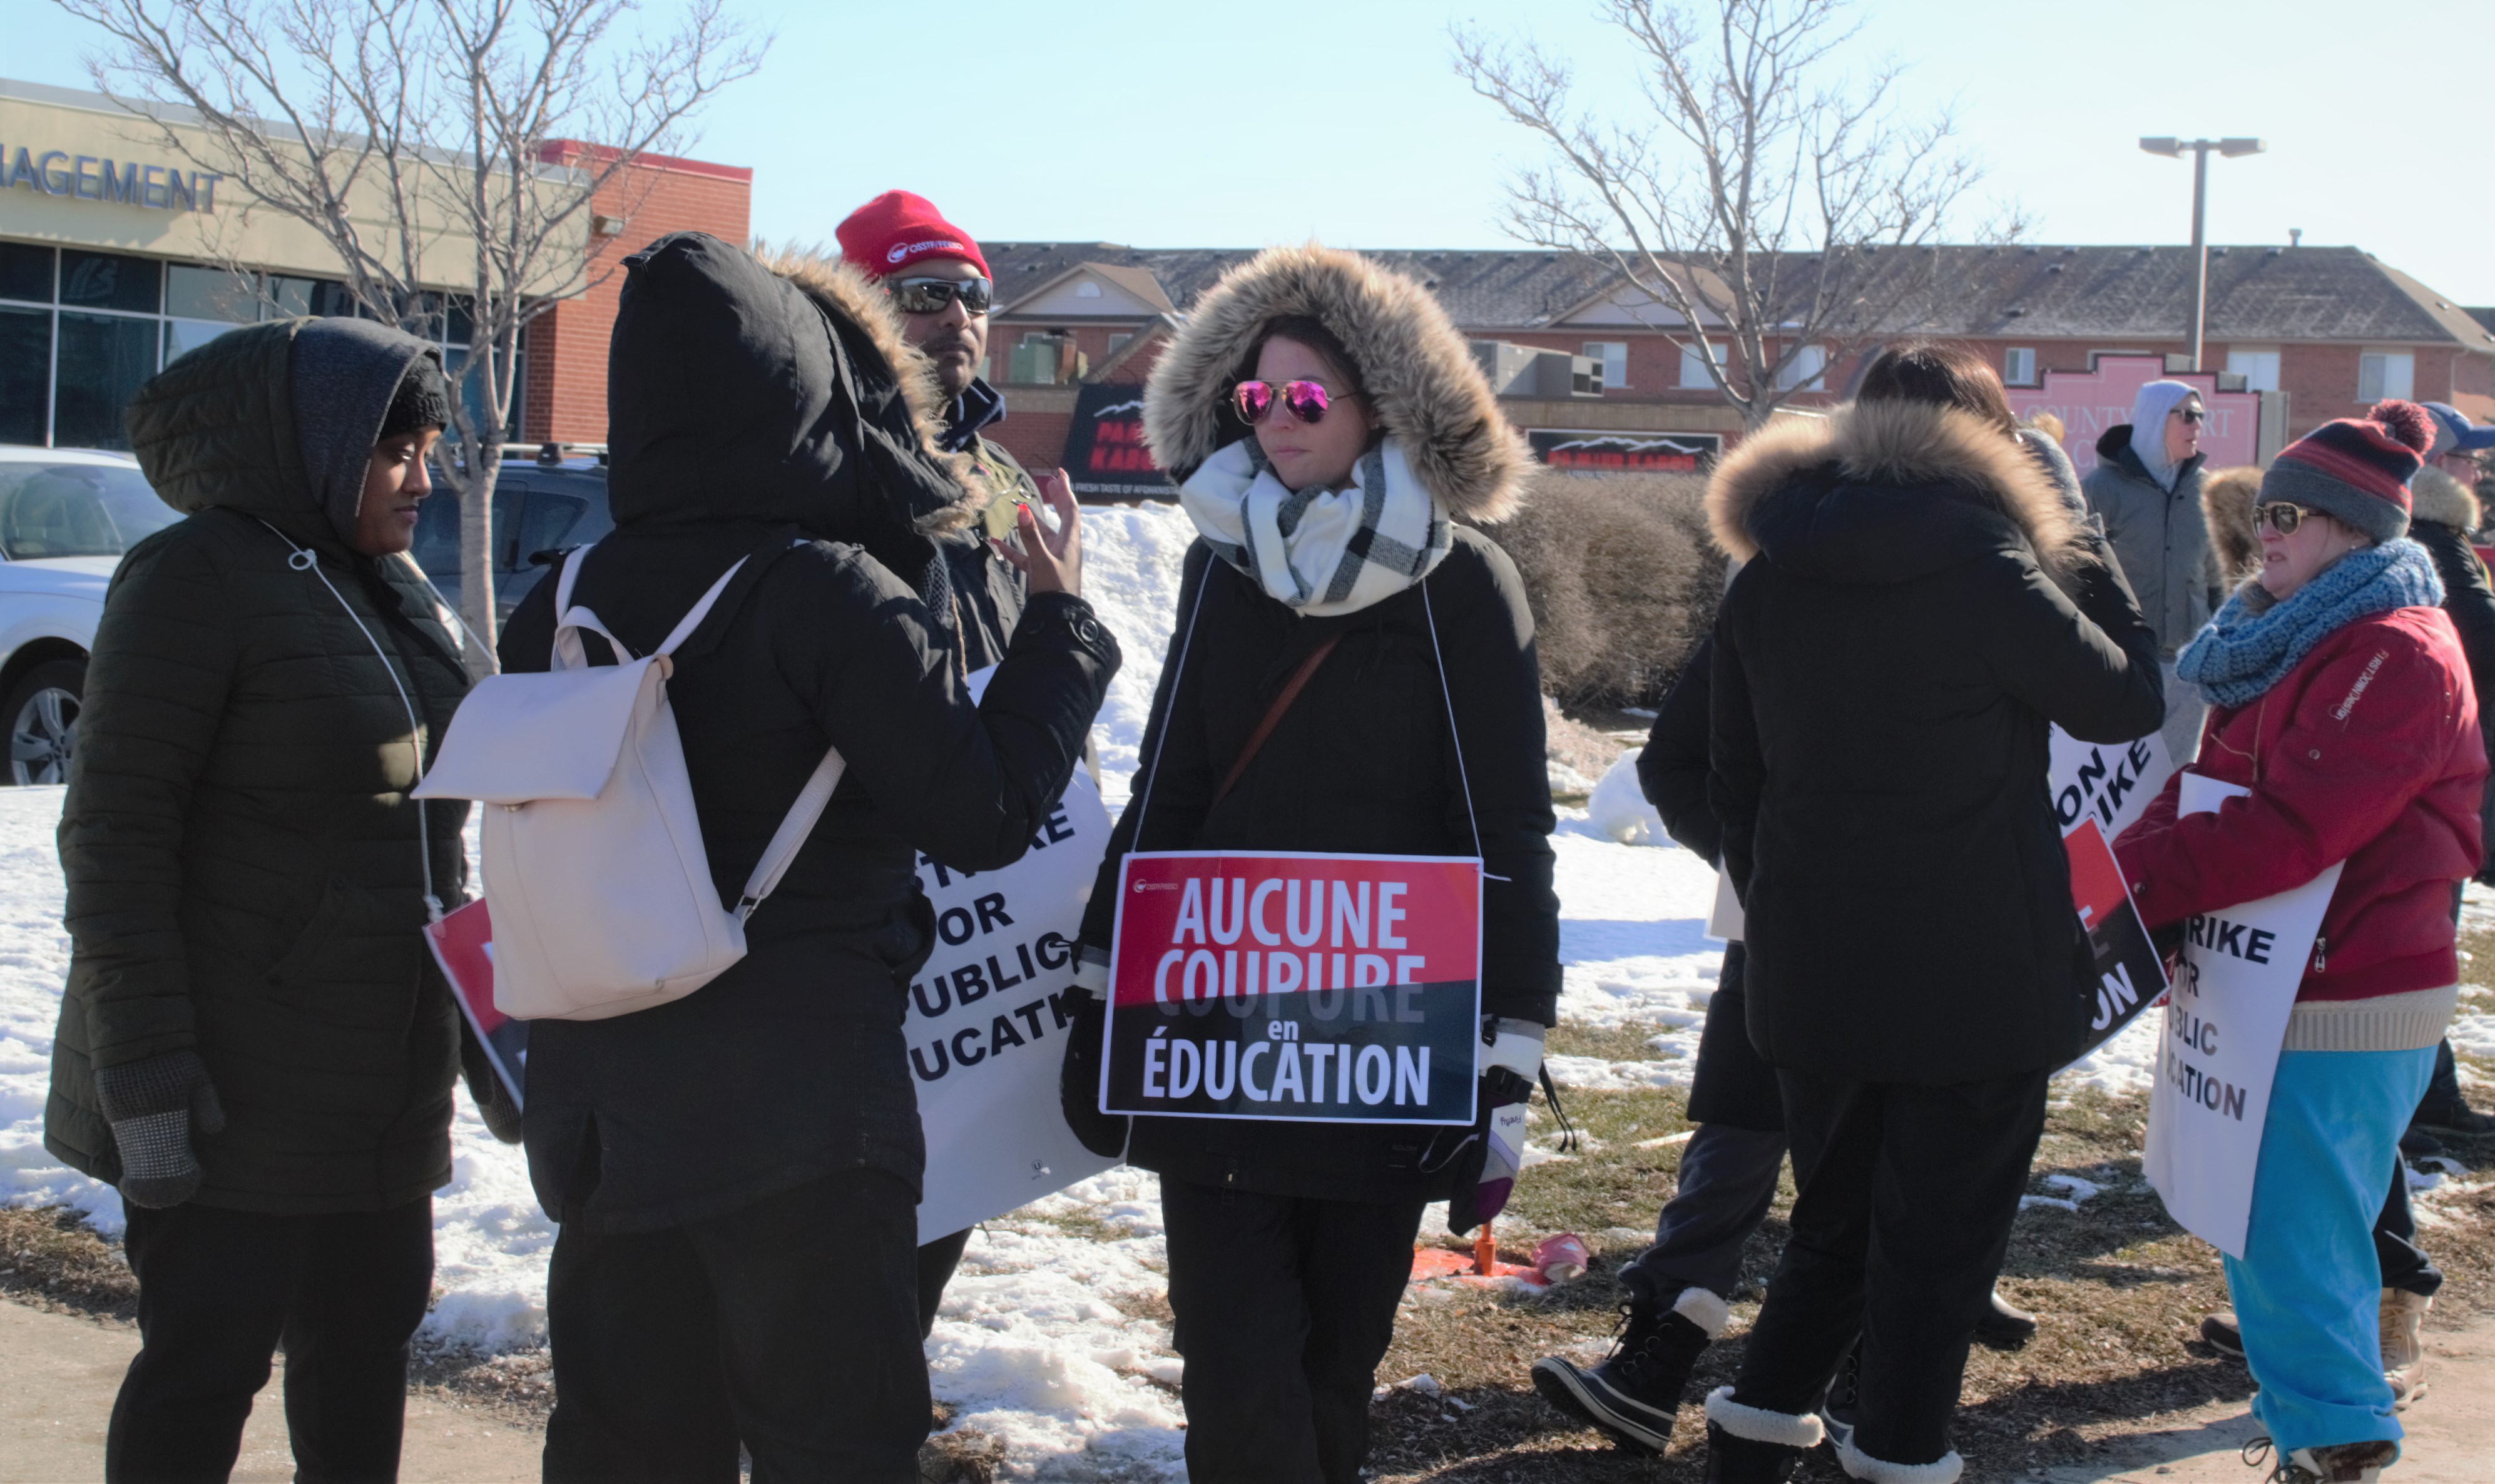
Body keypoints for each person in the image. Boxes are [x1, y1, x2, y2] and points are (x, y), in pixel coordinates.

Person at [502, 233, 1118, 1482]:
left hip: (601, 1108)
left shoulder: (556, 596)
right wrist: (1059, 627)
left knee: (629, 1441)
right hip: (797, 1118)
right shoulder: (827, 593)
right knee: (830, 1441)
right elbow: (983, 811)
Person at [1064, 243, 1560, 1484]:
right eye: (1253, 400)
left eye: (1302, 399)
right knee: (1235, 1375)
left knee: (1336, 1368)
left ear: (1377, 408)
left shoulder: (1463, 584)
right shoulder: (1217, 565)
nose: (1274, 424)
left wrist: (1508, 1044)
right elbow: (1169, 785)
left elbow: (1510, 828)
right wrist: (1096, 975)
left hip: (1385, 1043)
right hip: (1219, 1031)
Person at [1701, 341, 2164, 1482]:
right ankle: (1899, 1454)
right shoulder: (1989, 564)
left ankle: (1751, 1446)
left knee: (1834, 1230)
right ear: (1991, 445)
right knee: (1938, 1248)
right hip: (1977, 975)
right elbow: (2126, 701)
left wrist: (1790, 905)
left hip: (1812, 973)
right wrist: (2079, 535)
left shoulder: (1769, 568)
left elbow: (1727, 778)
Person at [44, 317, 482, 1481]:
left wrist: (494, 1024)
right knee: (206, 1369)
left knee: (364, 1357)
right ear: (320, 444)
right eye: (398, 450)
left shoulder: (386, 586)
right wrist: (147, 1082)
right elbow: (113, 840)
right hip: (233, 1093)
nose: (424, 481)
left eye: (432, 448)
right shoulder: (192, 577)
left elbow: (436, 829)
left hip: (381, 1079)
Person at [1528, 626, 2041, 1456]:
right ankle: (1661, 1358)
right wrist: (1767, 867)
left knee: (1877, 1156)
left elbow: (2109, 715)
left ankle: (1853, 1382)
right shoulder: (1781, 576)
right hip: (1802, 915)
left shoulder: (1992, 578)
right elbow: (1672, 760)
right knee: (1757, 1120)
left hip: (1929, 930)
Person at [2115, 401, 2481, 1484]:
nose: (2263, 528)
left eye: (2293, 512)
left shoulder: (2393, 650)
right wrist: (2109, 864)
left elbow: (2291, 827)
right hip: (2267, 976)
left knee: (2288, 1232)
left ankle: (2335, 1442)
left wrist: (2125, 884)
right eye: (2263, 507)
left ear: (2355, 529)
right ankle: (2319, 1430)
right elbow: (2210, 791)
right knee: (2271, 1226)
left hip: (2345, 984)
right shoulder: (2292, 631)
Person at [833, 189, 1039, 671]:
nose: (958, 315)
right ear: (858, 313)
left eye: (975, 295)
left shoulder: (1008, 480)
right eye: (924, 295)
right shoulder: (832, 464)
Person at [2084, 379, 2219, 764]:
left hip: (2188, 668)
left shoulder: (2205, 492)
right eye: (2189, 416)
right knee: (2119, 791)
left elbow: (2216, 579)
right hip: (2123, 667)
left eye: (2202, 417)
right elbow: (2073, 572)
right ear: (2156, 419)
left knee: (2171, 786)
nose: (2197, 427)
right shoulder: (2101, 489)